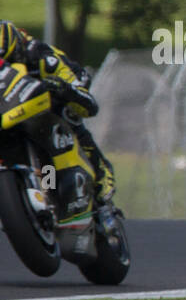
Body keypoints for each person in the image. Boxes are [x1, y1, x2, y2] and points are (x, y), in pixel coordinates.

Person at [0, 21, 115, 202]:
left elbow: (89, 105)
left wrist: (63, 88)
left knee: (66, 110)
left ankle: (100, 168)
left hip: (62, 84)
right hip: (13, 109)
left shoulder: (41, 56)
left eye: (9, 61)